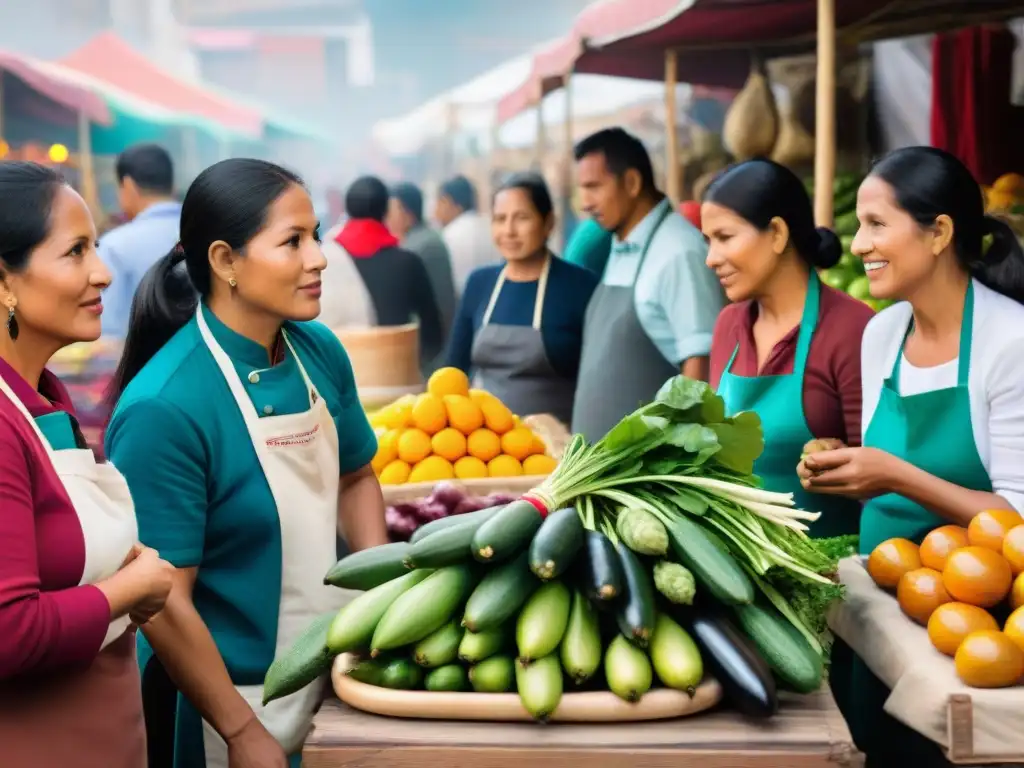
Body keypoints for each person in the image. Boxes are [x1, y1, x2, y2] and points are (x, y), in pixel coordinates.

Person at [104, 159, 389, 768]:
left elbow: (358, 476)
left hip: (337, 674)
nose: (319, 258)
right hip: (227, 701)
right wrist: (239, 731)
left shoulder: (317, 350)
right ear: (225, 261)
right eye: (293, 241)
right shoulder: (166, 407)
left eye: (316, 234)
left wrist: (377, 600)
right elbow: (163, 601)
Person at [799, 147, 1024, 766]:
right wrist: (844, 466)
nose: (857, 244)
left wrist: (894, 472)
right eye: (859, 225)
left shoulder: (1011, 344)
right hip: (879, 612)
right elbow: (882, 472)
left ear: (939, 233)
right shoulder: (883, 332)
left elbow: (1017, 519)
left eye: (876, 224)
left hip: (971, 634)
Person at [0, 161, 173, 767]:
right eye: (75, 251)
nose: (102, 271)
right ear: (4, 283)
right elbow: (9, 631)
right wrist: (130, 589)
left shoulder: (43, 396)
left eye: (95, 246)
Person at [705, 159, 874, 537]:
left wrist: (835, 461)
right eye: (708, 241)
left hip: (828, 572)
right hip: (735, 563)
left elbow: (879, 476)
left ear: (778, 233)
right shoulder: (728, 326)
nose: (711, 258)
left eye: (725, 237)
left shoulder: (851, 328)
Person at [571, 127, 726, 441]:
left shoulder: (680, 251)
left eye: (594, 187)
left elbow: (702, 367)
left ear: (631, 182)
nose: (585, 202)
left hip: (646, 479)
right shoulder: (620, 241)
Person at [446, 172, 598, 424]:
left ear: (548, 222)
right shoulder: (480, 283)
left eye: (522, 218)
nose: (509, 231)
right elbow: (452, 369)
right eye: (500, 219)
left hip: (559, 448)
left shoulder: (581, 286)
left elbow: (596, 381)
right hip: (486, 448)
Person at [318, 175, 444, 368]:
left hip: (335, 373)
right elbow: (433, 332)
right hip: (397, 379)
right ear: (386, 210)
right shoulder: (408, 262)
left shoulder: (323, 259)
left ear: (347, 209)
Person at [98, 143, 181, 338]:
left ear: (127, 185)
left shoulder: (115, 246)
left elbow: (106, 330)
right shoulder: (209, 231)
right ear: (172, 185)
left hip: (143, 365)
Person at [387, 181, 457, 348]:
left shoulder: (416, 248)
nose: (387, 217)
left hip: (432, 345)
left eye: (391, 210)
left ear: (408, 213)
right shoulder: (427, 238)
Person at [435, 174, 500, 295]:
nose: (436, 211)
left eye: (440, 203)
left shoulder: (447, 236)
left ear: (452, 203)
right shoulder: (491, 229)